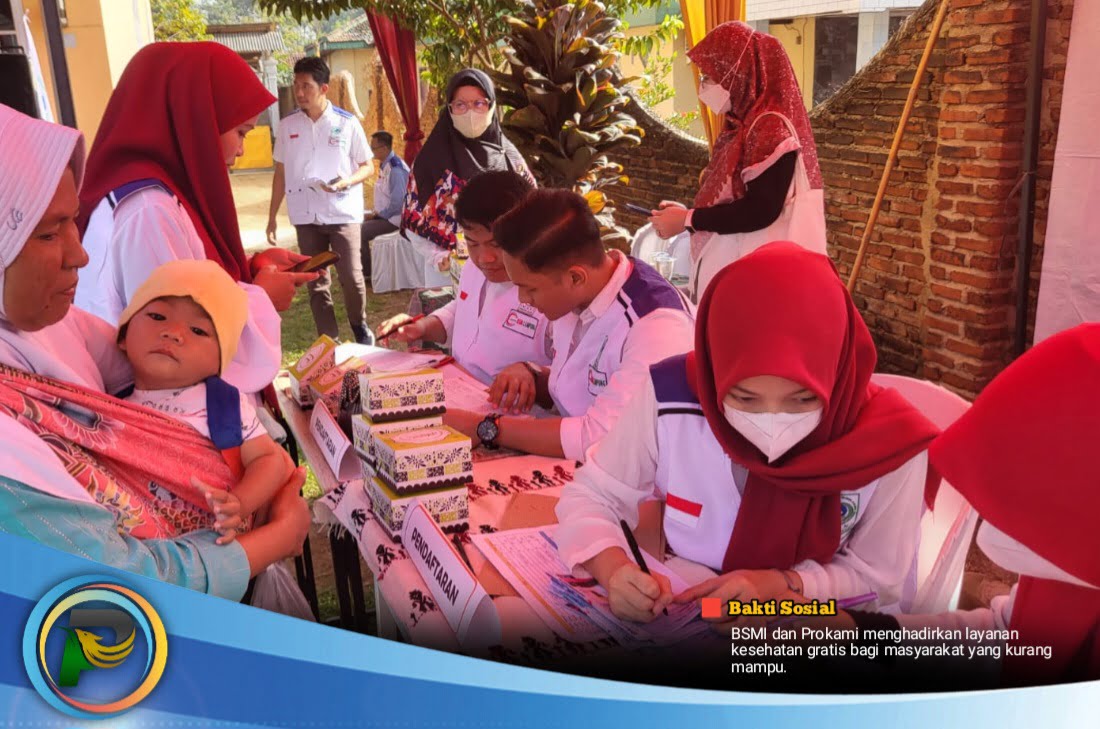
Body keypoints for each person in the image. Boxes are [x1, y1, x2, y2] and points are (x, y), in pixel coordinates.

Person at [0, 104, 310, 600]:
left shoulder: (49, 325)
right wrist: (275, 538)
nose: (81, 254)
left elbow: (175, 342)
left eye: (73, 222)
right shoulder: (147, 209)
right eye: (48, 232)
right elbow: (115, 586)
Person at [554, 242, 939, 623]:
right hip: (690, 606)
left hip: (814, 620)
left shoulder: (889, 444)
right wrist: (614, 570)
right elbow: (593, 494)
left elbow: (879, 582)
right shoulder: (672, 396)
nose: (772, 421)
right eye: (744, 398)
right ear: (714, 372)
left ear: (835, 376)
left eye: (802, 400)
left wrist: (785, 585)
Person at [820, 323, 1100, 687]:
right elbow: (1005, 638)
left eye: (1024, 501)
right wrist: (863, 632)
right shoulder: (1068, 574)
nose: (989, 524)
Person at [75, 42, 317, 398]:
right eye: (240, 133)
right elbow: (177, 342)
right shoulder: (149, 210)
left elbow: (187, 276)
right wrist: (262, 297)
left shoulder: (155, 194)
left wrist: (250, 269)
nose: (241, 150)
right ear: (196, 122)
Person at [444, 189, 695, 461]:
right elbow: (583, 385)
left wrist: (488, 428)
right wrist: (532, 375)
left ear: (575, 278)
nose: (523, 300)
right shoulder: (580, 295)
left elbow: (601, 439)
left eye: (530, 288)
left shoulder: (656, 327)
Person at [648, 22, 827, 303]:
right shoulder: (741, 124)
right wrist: (687, 215)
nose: (703, 85)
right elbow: (735, 199)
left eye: (710, 76)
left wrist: (689, 219)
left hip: (758, 276)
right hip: (739, 268)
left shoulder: (769, 127)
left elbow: (761, 210)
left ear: (738, 73)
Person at [118, 260, 294, 541]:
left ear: (219, 361)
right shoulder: (108, 406)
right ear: (123, 336)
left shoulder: (224, 405)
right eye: (157, 316)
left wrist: (239, 503)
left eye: (198, 331)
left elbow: (269, 459)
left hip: (212, 544)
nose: (173, 333)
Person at [377, 171, 550, 407]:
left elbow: (574, 375)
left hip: (518, 415)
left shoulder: (552, 289)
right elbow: (463, 307)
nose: (484, 258)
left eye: (496, 244)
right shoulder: (472, 268)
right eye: (472, 243)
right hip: (461, 391)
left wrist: (532, 372)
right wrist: (422, 327)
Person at [268, 57, 375, 345]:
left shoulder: (347, 123)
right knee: (315, 280)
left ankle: (359, 325)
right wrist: (272, 216)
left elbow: (368, 166)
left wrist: (346, 181)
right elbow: (281, 173)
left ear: (324, 88)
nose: (299, 92)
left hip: (342, 212)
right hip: (306, 216)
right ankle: (329, 340)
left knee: (352, 277)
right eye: (296, 85)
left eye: (306, 86)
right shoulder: (287, 125)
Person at [402, 68, 533, 258]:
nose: (470, 112)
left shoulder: (510, 158)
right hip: (449, 268)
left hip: (507, 265)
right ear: (449, 109)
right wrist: (438, 257)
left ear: (491, 106)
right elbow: (414, 219)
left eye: (479, 103)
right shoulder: (429, 161)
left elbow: (533, 213)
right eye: (460, 105)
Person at [361, 131, 410, 279]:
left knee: (360, 232)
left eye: (373, 148)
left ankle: (366, 274)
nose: (371, 151)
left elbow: (397, 203)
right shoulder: (386, 165)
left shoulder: (396, 169)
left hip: (396, 219)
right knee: (356, 224)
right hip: (388, 216)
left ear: (384, 148)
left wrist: (377, 216)